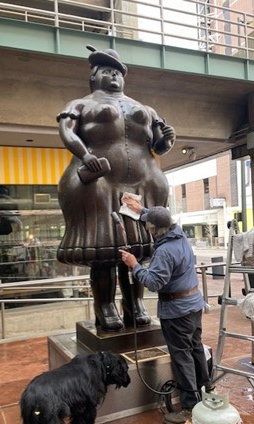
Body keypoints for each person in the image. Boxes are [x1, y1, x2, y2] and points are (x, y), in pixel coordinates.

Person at [56, 45, 176, 331]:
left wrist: (167, 142)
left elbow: (157, 145)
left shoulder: (145, 108)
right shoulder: (81, 104)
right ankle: (105, 306)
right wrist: (86, 157)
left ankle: (134, 304)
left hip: (141, 183)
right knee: (105, 250)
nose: (113, 77)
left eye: (117, 72)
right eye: (106, 71)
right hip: (99, 181)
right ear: (94, 77)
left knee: (135, 248)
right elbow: (66, 131)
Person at [120, 198, 211, 424]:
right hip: (194, 306)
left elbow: (154, 282)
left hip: (177, 311)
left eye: (148, 227)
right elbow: (159, 218)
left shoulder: (164, 252)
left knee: (182, 357)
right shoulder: (179, 234)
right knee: (196, 348)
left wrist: (134, 265)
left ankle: (190, 407)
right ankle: (206, 392)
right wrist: (142, 211)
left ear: (153, 230)